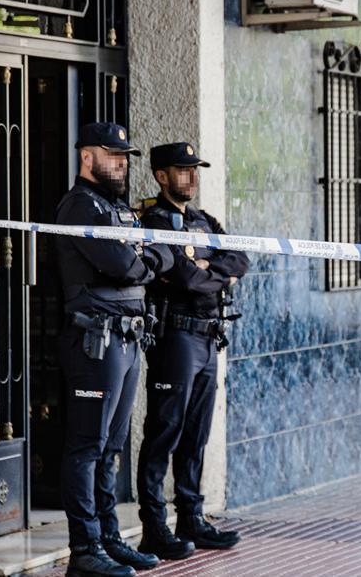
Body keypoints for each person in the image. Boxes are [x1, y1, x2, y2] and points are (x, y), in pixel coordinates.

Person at [53, 122, 174, 576]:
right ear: (87, 157)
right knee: (87, 446)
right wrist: (146, 260)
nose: (123, 163)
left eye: (125, 157)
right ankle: (84, 549)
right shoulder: (80, 206)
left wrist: (147, 258)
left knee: (112, 448)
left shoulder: (117, 210)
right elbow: (125, 265)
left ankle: (107, 537)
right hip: (94, 340)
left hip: (126, 339)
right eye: (113, 155)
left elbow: (161, 257)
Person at [137, 142, 250, 558]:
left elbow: (238, 258)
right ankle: (153, 526)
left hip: (208, 336)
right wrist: (211, 274)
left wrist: (212, 272)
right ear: (161, 175)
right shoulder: (152, 219)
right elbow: (183, 277)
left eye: (194, 169)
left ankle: (191, 517)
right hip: (177, 337)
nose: (191, 177)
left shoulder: (204, 221)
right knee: (164, 430)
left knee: (197, 433)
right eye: (182, 170)